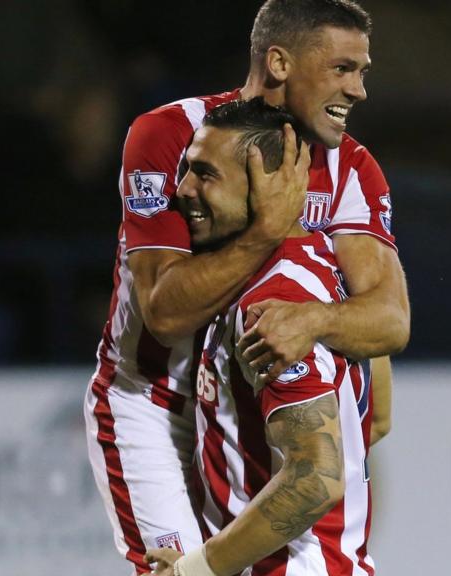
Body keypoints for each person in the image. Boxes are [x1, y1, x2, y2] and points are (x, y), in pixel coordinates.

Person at [83, 1, 409, 573]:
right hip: (154, 403)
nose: (358, 90)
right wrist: (265, 232)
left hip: (247, 408)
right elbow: (164, 315)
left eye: (362, 71)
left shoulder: (352, 168)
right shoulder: (172, 136)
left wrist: (315, 320)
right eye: (342, 69)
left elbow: (389, 319)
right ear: (279, 62)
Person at [147, 98, 373, 576]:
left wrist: (196, 571)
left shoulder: (273, 303)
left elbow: (315, 478)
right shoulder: (326, 272)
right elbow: (382, 413)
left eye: (205, 174)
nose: (183, 189)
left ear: (265, 183)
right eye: (186, 170)